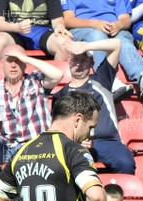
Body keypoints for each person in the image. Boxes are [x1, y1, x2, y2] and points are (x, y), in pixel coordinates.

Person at [0, 46, 63, 201]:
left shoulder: (36, 82)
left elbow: (57, 74)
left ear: (24, 64)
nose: (13, 65)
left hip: (34, 148)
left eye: (18, 61)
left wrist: (26, 58)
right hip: (5, 148)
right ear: (2, 63)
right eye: (9, 60)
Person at [53, 39, 136, 174]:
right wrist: (75, 141)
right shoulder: (60, 95)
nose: (78, 64)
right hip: (74, 144)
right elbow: (58, 127)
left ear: (91, 63)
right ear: (69, 61)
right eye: (75, 60)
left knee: (125, 162)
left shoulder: (101, 80)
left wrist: (86, 46)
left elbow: (116, 45)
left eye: (84, 60)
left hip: (108, 143)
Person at [62, 0, 143, 100]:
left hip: (114, 30)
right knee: (97, 36)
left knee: (124, 42)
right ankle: (111, 82)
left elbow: (125, 19)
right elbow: (68, 20)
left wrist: (119, 25)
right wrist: (94, 24)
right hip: (84, 30)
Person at [0, 0, 71, 60]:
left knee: (63, 43)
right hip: (14, 31)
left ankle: (56, 81)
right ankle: (0, 82)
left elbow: (57, 19)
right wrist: (16, 27)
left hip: (42, 31)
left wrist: (60, 26)